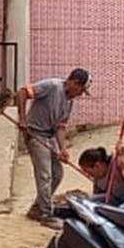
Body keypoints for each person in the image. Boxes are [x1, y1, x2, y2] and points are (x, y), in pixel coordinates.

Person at [16, 68, 90, 227]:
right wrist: (22, 119)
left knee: (57, 174)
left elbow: (60, 127)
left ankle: (37, 208)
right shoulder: (51, 86)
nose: (80, 94)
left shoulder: (69, 101)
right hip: (35, 133)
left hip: (50, 136)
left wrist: (63, 149)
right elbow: (22, 92)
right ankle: (45, 214)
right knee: (45, 175)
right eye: (81, 90)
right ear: (74, 83)